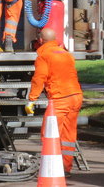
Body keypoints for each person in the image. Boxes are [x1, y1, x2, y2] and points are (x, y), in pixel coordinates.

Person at [25, 27, 83, 174]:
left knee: (49, 133)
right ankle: (65, 168)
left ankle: (50, 168)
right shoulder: (66, 54)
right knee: (68, 135)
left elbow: (39, 78)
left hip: (60, 99)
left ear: (40, 41)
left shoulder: (44, 55)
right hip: (76, 96)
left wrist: (31, 99)